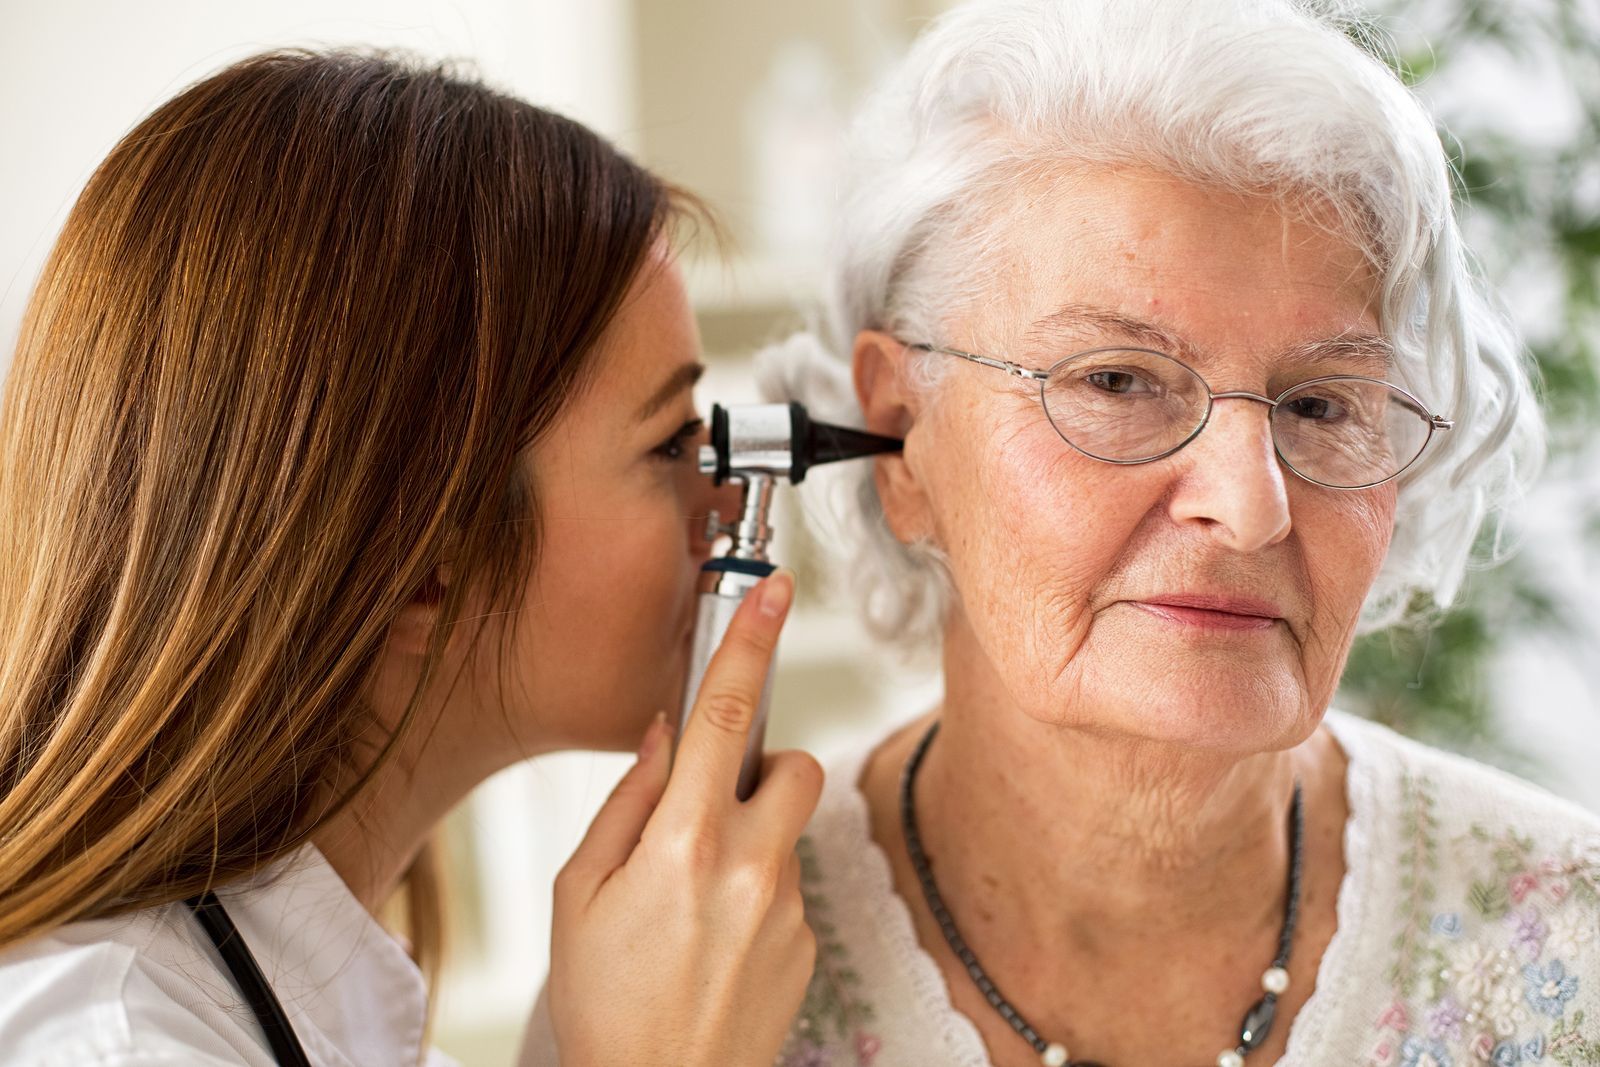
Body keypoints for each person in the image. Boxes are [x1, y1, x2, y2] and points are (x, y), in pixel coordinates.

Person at [744, 1, 1593, 1065]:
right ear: (899, 434)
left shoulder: (1570, 939)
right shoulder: (703, 977)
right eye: (1114, 380)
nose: (1248, 504)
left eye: (1322, 406)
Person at [0, 49, 821, 1067]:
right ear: (425, 566)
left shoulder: (327, 1013)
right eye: (666, 444)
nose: (731, 497)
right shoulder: (112, 1044)